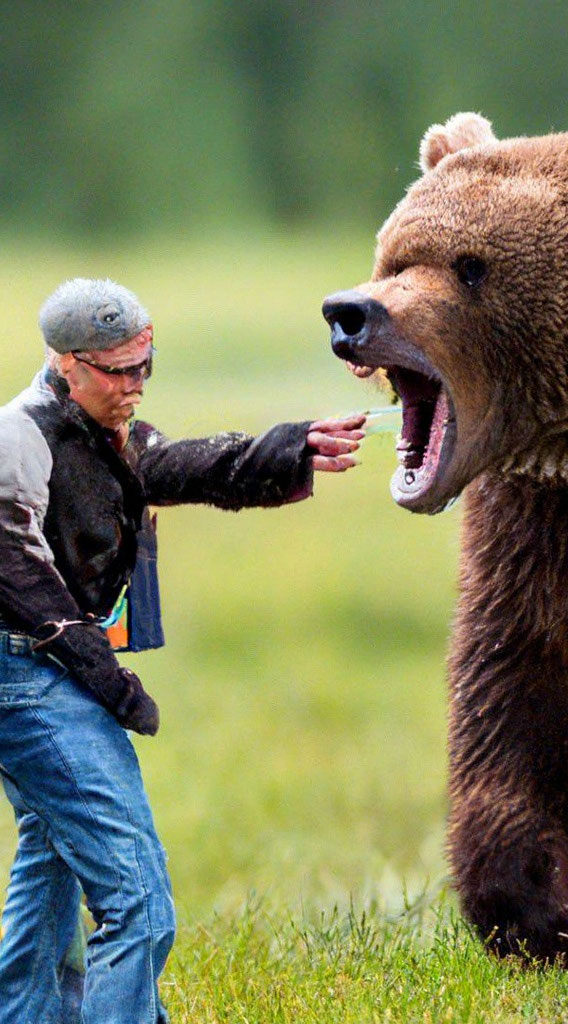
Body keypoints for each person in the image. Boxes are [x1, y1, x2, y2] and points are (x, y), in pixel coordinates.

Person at [0, 278, 365, 1024]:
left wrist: (292, 446)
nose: (135, 386)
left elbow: (179, 465)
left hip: (41, 672)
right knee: (137, 898)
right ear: (66, 363)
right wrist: (110, 684)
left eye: (146, 366)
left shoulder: (102, 430)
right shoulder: (20, 439)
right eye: (118, 371)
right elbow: (20, 584)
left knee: (52, 858)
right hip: (27, 677)